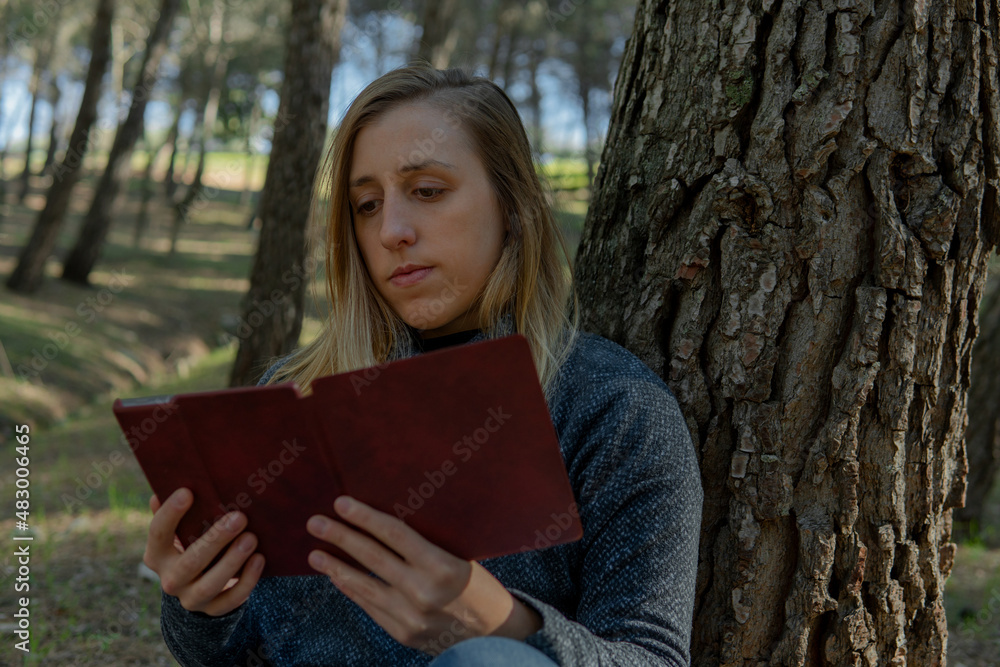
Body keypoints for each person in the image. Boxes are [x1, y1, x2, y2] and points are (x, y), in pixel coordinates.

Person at [143, 63, 703, 666]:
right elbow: (222, 653)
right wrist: (200, 603)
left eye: (428, 191)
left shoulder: (610, 406)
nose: (391, 231)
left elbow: (652, 658)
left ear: (514, 206)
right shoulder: (291, 397)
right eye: (366, 204)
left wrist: (503, 624)